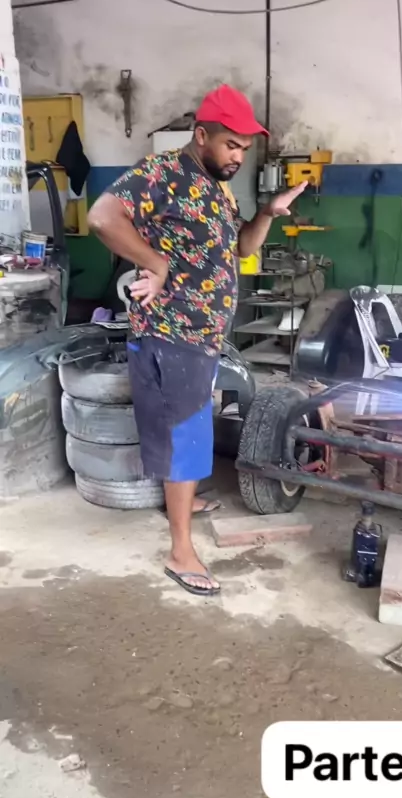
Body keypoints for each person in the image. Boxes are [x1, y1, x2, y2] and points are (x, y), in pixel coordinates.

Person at [88, 84, 307, 597]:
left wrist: (267, 213)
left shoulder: (218, 187)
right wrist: (155, 262)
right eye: (231, 145)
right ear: (202, 135)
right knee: (184, 434)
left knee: (187, 427)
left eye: (244, 149)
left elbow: (242, 248)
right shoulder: (162, 172)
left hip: (203, 335)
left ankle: (182, 501)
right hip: (172, 332)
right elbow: (102, 217)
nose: (238, 157)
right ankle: (181, 551)